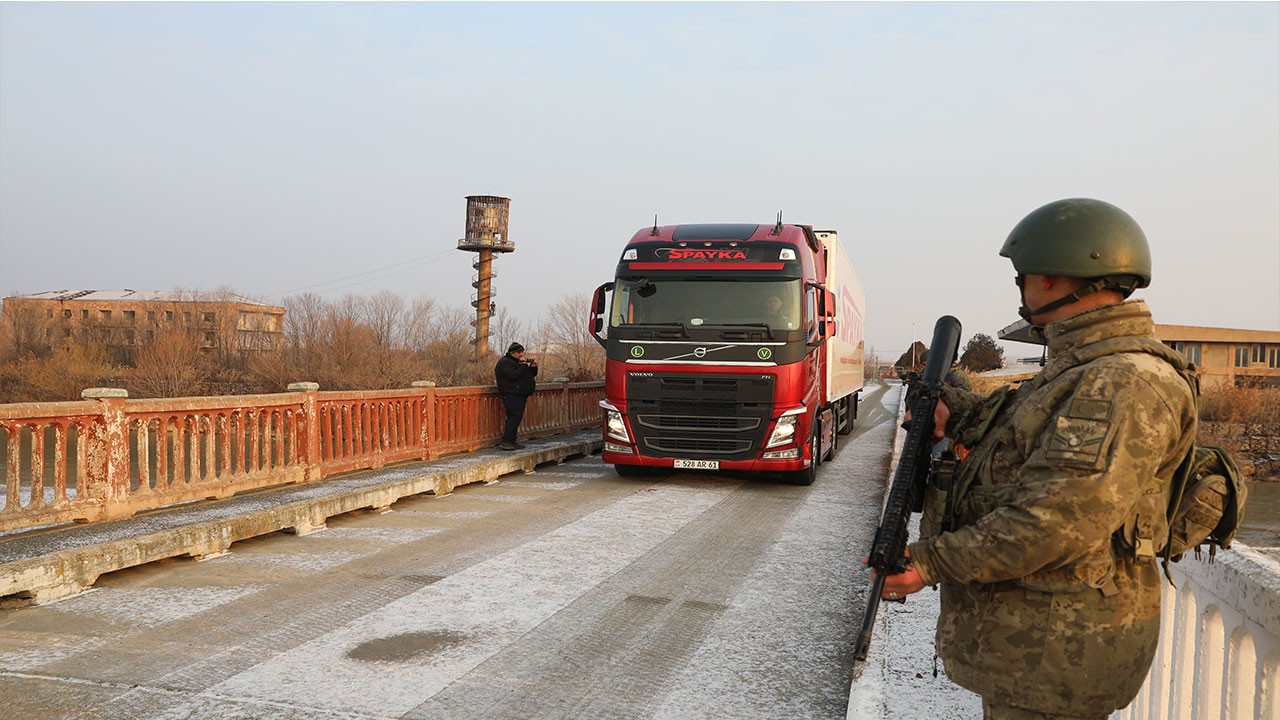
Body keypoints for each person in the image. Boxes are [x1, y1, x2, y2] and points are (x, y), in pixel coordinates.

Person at [880, 198, 1197, 719]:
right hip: (1036, 644)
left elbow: (1055, 522)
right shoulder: (1082, 368)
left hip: (1056, 655)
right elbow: (1021, 442)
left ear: (1051, 278)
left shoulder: (1119, 381)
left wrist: (930, 562)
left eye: (1022, 277)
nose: (1022, 289)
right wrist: (953, 410)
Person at [494, 342, 538, 451]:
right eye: (519, 352)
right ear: (512, 352)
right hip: (511, 394)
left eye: (522, 352)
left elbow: (529, 375)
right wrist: (523, 365)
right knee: (513, 417)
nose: (521, 354)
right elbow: (513, 375)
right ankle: (506, 441)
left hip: (520, 394)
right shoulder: (505, 363)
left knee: (517, 417)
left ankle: (512, 440)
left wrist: (533, 367)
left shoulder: (516, 362)